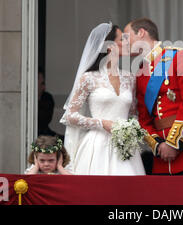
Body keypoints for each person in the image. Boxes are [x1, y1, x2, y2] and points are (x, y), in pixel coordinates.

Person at [124, 17, 183, 175]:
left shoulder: (180, 57)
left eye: (127, 37)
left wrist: (173, 143)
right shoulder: (141, 72)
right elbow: (144, 119)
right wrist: (158, 144)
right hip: (161, 157)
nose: (124, 43)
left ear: (141, 33)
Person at [60, 22, 145, 175]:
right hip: (97, 145)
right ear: (109, 47)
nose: (127, 43)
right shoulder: (89, 78)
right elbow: (70, 115)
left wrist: (132, 130)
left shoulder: (130, 78)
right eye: (122, 40)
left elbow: (132, 114)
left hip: (125, 147)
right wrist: (101, 123)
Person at [38, 68, 57, 137]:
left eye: (43, 83)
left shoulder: (47, 98)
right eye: (41, 83)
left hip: (45, 132)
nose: (43, 86)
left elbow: (45, 120)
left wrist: (38, 97)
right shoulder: (27, 99)